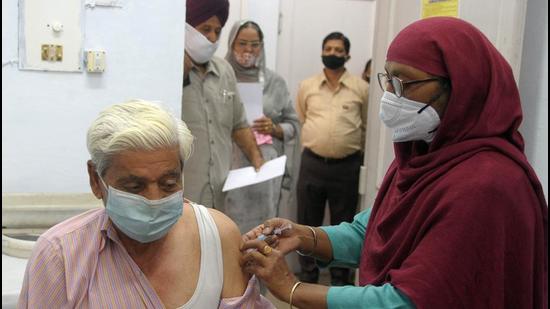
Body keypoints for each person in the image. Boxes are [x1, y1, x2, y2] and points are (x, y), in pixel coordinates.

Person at [240, 17, 548, 309]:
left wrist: (293, 289)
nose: (390, 96)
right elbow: (372, 232)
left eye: (405, 83)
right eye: (388, 79)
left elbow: (409, 301)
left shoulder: (485, 184)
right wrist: (304, 236)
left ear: (462, 87)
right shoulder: (425, 155)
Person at [18, 100, 274, 308]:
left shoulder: (217, 237)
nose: (154, 200)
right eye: (134, 187)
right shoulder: (61, 255)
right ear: (96, 180)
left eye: (169, 183)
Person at [295, 31, 369, 285]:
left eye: (339, 50)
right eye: (328, 49)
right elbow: (303, 117)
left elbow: (366, 127)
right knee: (307, 222)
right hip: (313, 163)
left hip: (346, 167)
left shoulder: (361, 88)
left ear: (347, 55)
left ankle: (340, 280)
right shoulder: (308, 86)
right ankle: (307, 278)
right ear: (321, 51)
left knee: (345, 223)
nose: (333, 54)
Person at [182, 0, 264, 211]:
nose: (212, 37)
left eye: (218, 31)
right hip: (181, 194)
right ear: (187, 27)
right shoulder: (170, 71)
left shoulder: (225, 71)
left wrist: (257, 158)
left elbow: (239, 125)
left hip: (218, 194)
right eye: (205, 29)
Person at [223, 19, 301, 233]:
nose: (248, 50)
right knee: (227, 229)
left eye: (254, 44)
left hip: (264, 170)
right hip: (227, 165)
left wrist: (274, 128)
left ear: (262, 45)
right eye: (242, 43)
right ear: (231, 44)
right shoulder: (219, 75)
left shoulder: (275, 82)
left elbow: (293, 125)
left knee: (262, 231)